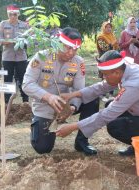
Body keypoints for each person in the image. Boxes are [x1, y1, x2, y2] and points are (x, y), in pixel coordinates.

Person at [56, 50, 139, 156]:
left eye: (105, 75)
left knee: (115, 126)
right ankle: (138, 144)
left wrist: (71, 127)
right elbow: (102, 87)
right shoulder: (125, 68)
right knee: (110, 104)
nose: (104, 78)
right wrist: (72, 95)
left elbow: (106, 115)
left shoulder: (135, 84)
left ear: (116, 73)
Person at [22, 27, 98, 155]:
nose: (71, 53)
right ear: (58, 43)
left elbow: (79, 89)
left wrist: (73, 106)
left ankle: (82, 141)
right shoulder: (41, 57)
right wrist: (48, 97)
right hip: (44, 105)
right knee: (42, 148)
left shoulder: (79, 63)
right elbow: (27, 84)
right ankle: (39, 123)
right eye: (68, 47)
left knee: (92, 98)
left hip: (66, 103)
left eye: (75, 49)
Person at [0, 4, 29, 103]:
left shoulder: (24, 25)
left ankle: (25, 101)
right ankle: (7, 102)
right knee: (7, 79)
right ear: (8, 14)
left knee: (23, 78)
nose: (13, 16)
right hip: (7, 57)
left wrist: (25, 41)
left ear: (18, 14)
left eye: (15, 14)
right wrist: (11, 41)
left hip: (21, 57)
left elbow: (30, 39)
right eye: (10, 14)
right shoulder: (3, 24)